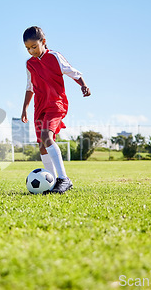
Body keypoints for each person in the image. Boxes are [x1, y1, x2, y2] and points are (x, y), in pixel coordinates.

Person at [21, 26, 91, 194]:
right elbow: (30, 87)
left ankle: (64, 179)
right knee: (42, 145)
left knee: (47, 136)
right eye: (27, 48)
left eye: (34, 47)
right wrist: (25, 108)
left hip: (56, 104)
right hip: (40, 107)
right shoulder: (29, 64)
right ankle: (51, 181)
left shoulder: (54, 57)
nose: (31, 51)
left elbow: (73, 72)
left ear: (43, 42)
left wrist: (83, 85)